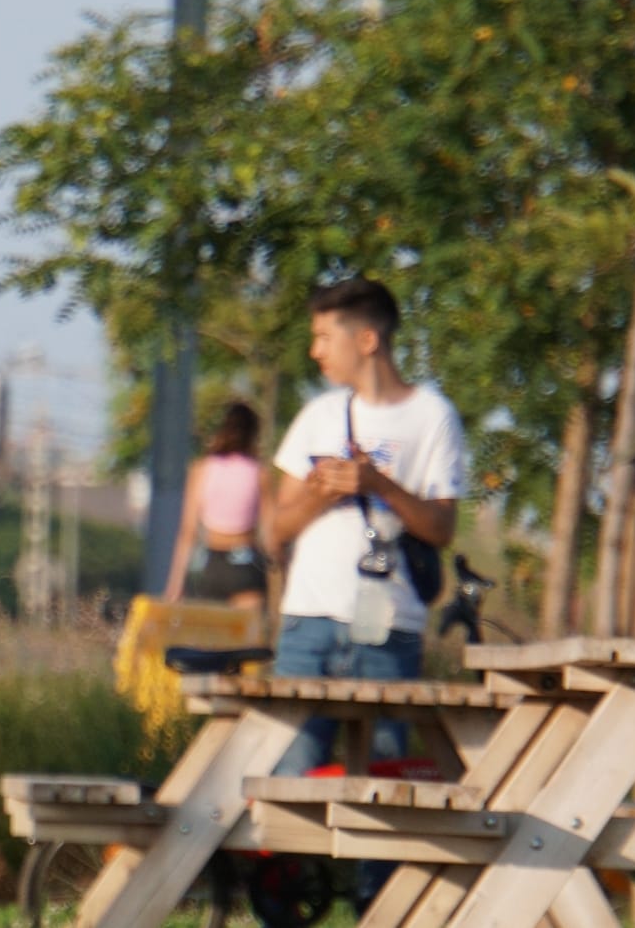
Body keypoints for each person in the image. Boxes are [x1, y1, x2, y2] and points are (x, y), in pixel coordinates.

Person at [269, 277, 464, 906]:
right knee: (290, 772)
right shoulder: (319, 416)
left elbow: (438, 527)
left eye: (325, 337)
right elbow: (276, 526)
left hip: (390, 625)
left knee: (384, 788)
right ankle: (290, 900)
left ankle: (380, 910)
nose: (316, 351)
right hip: (309, 621)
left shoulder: (432, 414)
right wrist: (324, 488)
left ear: (368, 338)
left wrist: (377, 482)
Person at [163, 401, 270, 615]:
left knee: (210, 642)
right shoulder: (259, 473)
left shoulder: (201, 469)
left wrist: (175, 584)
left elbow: (188, 532)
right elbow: (271, 533)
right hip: (245, 561)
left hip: (211, 564)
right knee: (247, 643)